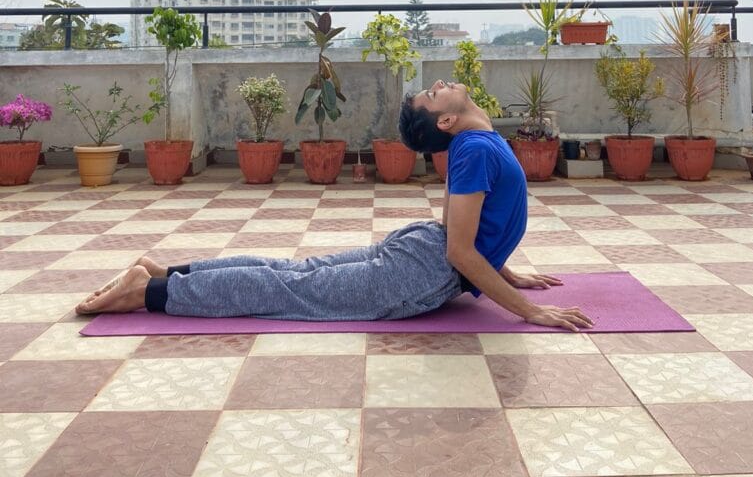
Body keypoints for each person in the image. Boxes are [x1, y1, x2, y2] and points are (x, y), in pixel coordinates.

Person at [75, 79, 592, 332]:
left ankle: (164, 272)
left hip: (421, 252)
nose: (439, 85)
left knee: (294, 275)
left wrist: (505, 270)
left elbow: (479, 230)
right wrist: (528, 312)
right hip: (421, 269)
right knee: (291, 288)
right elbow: (461, 249)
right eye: (433, 95)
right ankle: (149, 291)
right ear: (446, 123)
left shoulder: (477, 144)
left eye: (432, 91)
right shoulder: (477, 148)